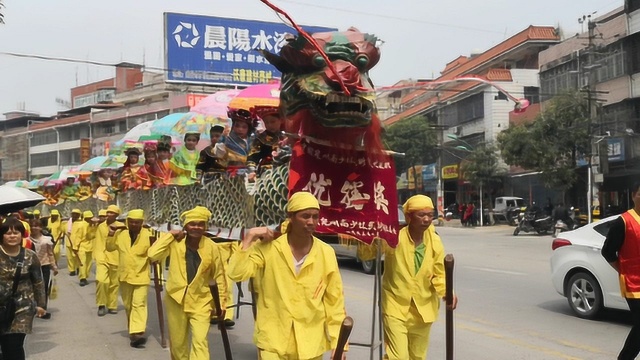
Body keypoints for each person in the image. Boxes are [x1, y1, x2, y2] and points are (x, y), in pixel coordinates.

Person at [228, 191, 347, 360]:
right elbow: (236, 273)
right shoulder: (268, 248)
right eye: (305, 216)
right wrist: (250, 237)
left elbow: (334, 301)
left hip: (310, 343)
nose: (311, 222)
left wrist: (339, 343)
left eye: (315, 216)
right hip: (273, 341)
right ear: (290, 216)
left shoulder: (326, 253)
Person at [371, 195, 457, 360]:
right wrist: (371, 234)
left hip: (423, 310)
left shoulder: (435, 241)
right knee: (398, 357)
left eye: (430, 215)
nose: (426, 219)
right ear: (409, 216)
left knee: (417, 356)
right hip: (395, 305)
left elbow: (439, 272)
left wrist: (447, 292)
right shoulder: (394, 237)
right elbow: (367, 253)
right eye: (421, 215)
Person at [148, 206, 228, 360]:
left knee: (200, 341)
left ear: (205, 227)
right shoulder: (175, 242)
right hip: (176, 299)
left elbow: (219, 276)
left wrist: (222, 303)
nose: (196, 227)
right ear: (185, 226)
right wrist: (170, 235)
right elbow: (152, 255)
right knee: (178, 344)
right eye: (192, 224)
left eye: (200, 224)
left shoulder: (212, 247)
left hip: (201, 301)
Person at [602, 182, 640, 360]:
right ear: (633, 196)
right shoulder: (623, 221)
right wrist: (623, 269)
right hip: (634, 284)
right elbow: (608, 251)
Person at [0, 217, 46, 360]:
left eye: (16, 233)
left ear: (22, 235)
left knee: (13, 346)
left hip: (22, 308)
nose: (12, 236)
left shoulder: (30, 256)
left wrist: (40, 305)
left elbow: (38, 281)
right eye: (8, 233)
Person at [106, 209, 152, 348]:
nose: (134, 224)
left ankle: (137, 333)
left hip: (141, 276)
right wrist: (111, 234)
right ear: (127, 222)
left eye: (137, 222)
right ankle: (133, 330)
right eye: (131, 221)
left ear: (141, 223)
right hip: (125, 276)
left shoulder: (148, 236)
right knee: (128, 305)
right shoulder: (121, 234)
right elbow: (109, 247)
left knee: (139, 304)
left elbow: (155, 255)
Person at [94, 205, 123, 317]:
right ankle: (101, 304)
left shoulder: (121, 227)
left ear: (116, 215)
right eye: (108, 212)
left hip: (116, 257)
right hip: (102, 257)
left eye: (112, 213)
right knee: (101, 280)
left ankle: (112, 305)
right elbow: (98, 241)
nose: (109, 215)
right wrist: (97, 254)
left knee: (114, 284)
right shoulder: (101, 226)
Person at [246, 106, 285, 181]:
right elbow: (252, 158)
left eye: (273, 121)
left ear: (281, 120)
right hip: (266, 174)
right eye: (266, 122)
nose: (269, 125)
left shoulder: (288, 137)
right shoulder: (260, 138)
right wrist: (251, 171)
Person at [29, 219, 58, 319]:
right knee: (31, 288)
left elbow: (50, 254)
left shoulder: (46, 240)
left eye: (36, 226)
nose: (34, 228)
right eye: (32, 226)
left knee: (44, 288)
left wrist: (54, 266)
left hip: (44, 265)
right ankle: (32, 308)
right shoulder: (26, 240)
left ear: (41, 228)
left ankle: (42, 309)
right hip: (31, 266)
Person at [224, 108, 254, 173]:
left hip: (250, 172)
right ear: (232, 126)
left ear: (249, 129)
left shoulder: (253, 141)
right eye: (237, 126)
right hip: (230, 172)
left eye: (244, 127)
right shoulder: (227, 140)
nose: (240, 129)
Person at [77, 211, 98, 287]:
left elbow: (94, 235)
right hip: (82, 246)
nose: (90, 219)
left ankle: (85, 276)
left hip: (90, 247)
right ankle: (82, 278)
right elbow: (78, 237)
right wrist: (75, 247)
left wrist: (94, 225)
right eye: (89, 218)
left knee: (89, 263)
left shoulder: (92, 225)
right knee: (82, 263)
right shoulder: (81, 225)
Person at [66, 209, 82, 276]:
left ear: (79, 215)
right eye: (73, 214)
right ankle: (72, 270)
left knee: (77, 257)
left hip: (77, 243)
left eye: (76, 214)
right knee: (69, 257)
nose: (74, 215)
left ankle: (78, 268)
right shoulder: (68, 222)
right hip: (69, 242)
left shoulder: (81, 223)